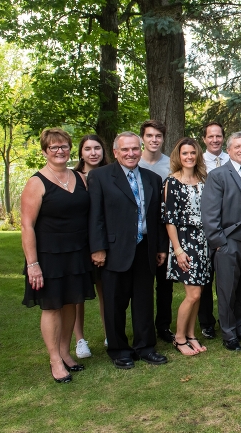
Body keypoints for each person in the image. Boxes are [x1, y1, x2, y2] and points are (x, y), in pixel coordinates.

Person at [88, 131, 168, 369]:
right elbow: (95, 216)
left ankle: (145, 347)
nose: (131, 153)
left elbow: (157, 217)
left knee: (144, 301)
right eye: (125, 149)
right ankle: (119, 350)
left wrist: (160, 247)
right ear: (115, 152)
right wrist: (98, 248)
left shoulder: (152, 178)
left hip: (145, 248)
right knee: (115, 302)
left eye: (135, 148)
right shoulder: (100, 177)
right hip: (114, 249)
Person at [22, 128, 95, 383]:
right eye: (53, 147)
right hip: (49, 255)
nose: (60, 151)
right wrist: (33, 264)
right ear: (45, 151)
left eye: (64, 146)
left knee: (71, 302)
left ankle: (65, 352)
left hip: (76, 252)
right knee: (52, 306)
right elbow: (27, 226)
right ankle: (55, 359)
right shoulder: (36, 182)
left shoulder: (80, 177)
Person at [201, 132, 241, 352]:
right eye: (237, 147)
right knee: (227, 290)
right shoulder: (217, 175)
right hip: (228, 241)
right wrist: (219, 242)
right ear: (228, 150)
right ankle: (228, 333)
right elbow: (209, 212)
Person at [162, 138, 211, 356]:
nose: (189, 156)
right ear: (178, 156)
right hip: (184, 241)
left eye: (192, 153)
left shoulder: (203, 179)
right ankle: (179, 338)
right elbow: (169, 220)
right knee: (192, 294)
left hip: (203, 241)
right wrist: (178, 250)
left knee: (199, 293)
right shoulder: (172, 182)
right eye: (185, 153)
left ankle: (191, 335)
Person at [72, 134, 108, 359]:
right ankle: (80, 339)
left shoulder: (110, 174)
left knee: (106, 290)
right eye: (88, 149)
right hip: (79, 242)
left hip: (104, 241)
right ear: (81, 153)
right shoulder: (72, 177)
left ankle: (109, 333)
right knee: (78, 294)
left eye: (97, 148)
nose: (93, 153)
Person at [137, 119, 174, 344]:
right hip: (141, 232)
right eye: (149, 136)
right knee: (142, 285)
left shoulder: (170, 165)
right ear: (143, 138)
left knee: (165, 284)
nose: (154, 140)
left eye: (158, 136)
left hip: (165, 230)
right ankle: (144, 327)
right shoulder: (134, 162)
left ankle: (164, 326)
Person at [197, 121, 229, 340]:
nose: (215, 140)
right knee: (205, 277)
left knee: (228, 279)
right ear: (204, 139)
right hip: (204, 227)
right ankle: (206, 322)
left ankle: (229, 318)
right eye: (211, 136)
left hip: (229, 227)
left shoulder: (232, 158)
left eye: (218, 136)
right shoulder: (197, 162)